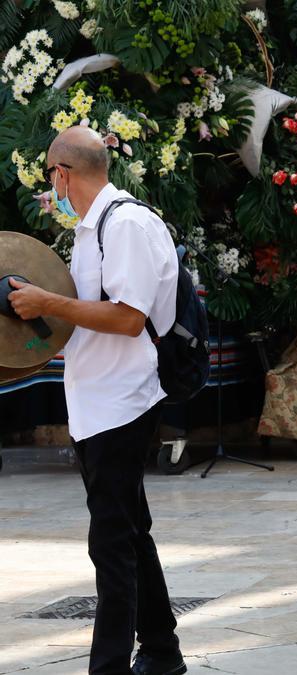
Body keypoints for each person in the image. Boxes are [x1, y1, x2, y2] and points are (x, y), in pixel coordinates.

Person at [8, 126, 187, 675]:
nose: (51, 187)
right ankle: (161, 651)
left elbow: (129, 319)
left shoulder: (126, 224)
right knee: (131, 533)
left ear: (62, 173)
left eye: (50, 177)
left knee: (110, 545)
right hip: (99, 404)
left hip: (123, 404)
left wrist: (49, 302)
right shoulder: (95, 228)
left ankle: (108, 667)